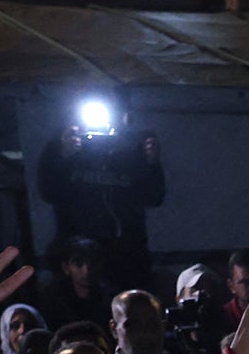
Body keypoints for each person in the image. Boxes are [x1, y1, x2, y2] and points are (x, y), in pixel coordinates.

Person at [36, 123, 165, 293]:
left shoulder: (133, 145)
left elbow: (154, 198)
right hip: (79, 255)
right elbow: (49, 193)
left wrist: (152, 163)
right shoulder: (65, 143)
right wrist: (64, 157)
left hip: (127, 257)